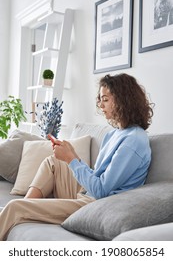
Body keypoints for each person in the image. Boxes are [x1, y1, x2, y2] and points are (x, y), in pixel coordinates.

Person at [0, 73, 154, 241]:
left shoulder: (133, 141)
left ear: (124, 100)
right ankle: (29, 205)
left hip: (96, 205)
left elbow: (102, 191)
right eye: (99, 99)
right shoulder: (114, 134)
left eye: (106, 99)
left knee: (14, 207)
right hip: (87, 193)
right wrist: (72, 156)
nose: (101, 105)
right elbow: (97, 176)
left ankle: (25, 209)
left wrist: (71, 160)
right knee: (53, 162)